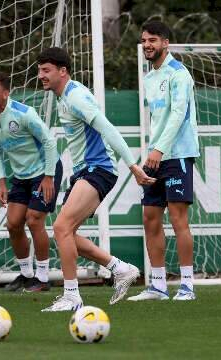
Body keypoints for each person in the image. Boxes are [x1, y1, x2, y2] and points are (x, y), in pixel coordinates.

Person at [36, 47, 154, 312]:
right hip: (86, 171)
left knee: (61, 228)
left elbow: (108, 128)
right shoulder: (62, 96)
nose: (41, 75)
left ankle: (72, 296)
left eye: (46, 70)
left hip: (98, 168)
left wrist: (133, 166)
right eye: (40, 70)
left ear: (62, 71)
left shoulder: (76, 96)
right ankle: (120, 268)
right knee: (67, 233)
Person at [128, 21, 200, 302]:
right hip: (155, 155)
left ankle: (187, 286)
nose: (147, 45)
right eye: (144, 40)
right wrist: (153, 150)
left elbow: (179, 115)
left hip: (177, 154)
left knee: (178, 218)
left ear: (166, 43)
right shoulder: (149, 77)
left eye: (153, 40)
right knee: (149, 217)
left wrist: (159, 149)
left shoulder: (179, 74)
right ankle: (157, 285)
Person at [0, 72, 61, 292]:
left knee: (34, 221)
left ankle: (43, 278)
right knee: (13, 224)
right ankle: (26, 275)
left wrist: (49, 177)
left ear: (5, 94)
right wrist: (1, 183)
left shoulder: (24, 114)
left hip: (45, 171)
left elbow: (50, 142)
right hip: (21, 176)